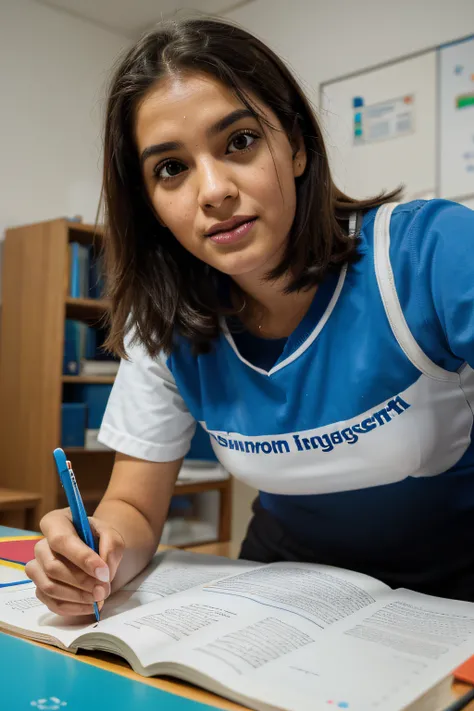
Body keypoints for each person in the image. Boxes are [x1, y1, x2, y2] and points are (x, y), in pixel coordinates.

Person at [26, 17, 474, 616]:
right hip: (282, 602)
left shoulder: (431, 254)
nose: (212, 191)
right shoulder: (164, 321)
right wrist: (94, 559)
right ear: (151, 204)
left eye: (238, 141)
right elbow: (133, 509)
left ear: (296, 146)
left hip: (450, 602)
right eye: (170, 168)